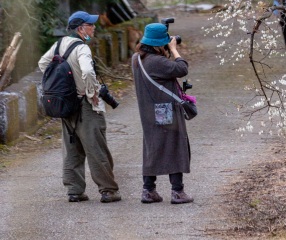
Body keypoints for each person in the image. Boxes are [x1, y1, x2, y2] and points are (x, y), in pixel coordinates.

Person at [37, 11, 121, 203]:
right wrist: (91, 93)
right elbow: (88, 71)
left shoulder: (59, 44)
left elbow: (43, 64)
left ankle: (74, 190)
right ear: (81, 28)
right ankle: (108, 190)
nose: (94, 27)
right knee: (96, 148)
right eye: (90, 25)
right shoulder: (82, 48)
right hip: (84, 105)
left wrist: (62, 85)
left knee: (72, 148)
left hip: (66, 104)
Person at [131, 22, 193, 204]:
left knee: (153, 147)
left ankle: (148, 190)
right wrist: (174, 50)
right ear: (159, 43)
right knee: (174, 146)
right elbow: (182, 69)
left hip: (148, 111)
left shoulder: (136, 59)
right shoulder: (157, 62)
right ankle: (177, 191)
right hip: (165, 110)